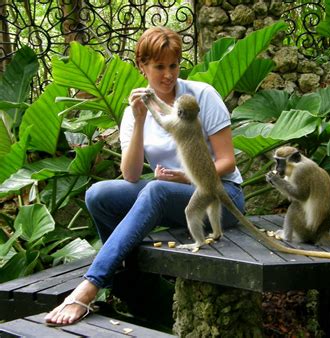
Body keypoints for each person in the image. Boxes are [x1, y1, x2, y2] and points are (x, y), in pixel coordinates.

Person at [44, 26, 245, 326]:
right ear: (142, 66)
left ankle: (90, 287)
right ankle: (137, 287)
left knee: (156, 191)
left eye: (173, 65)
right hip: (172, 193)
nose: (168, 75)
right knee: (98, 195)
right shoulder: (133, 111)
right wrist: (138, 120)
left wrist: (182, 178)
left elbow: (227, 162)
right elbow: (131, 174)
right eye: (159, 67)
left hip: (220, 196)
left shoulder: (201, 96)